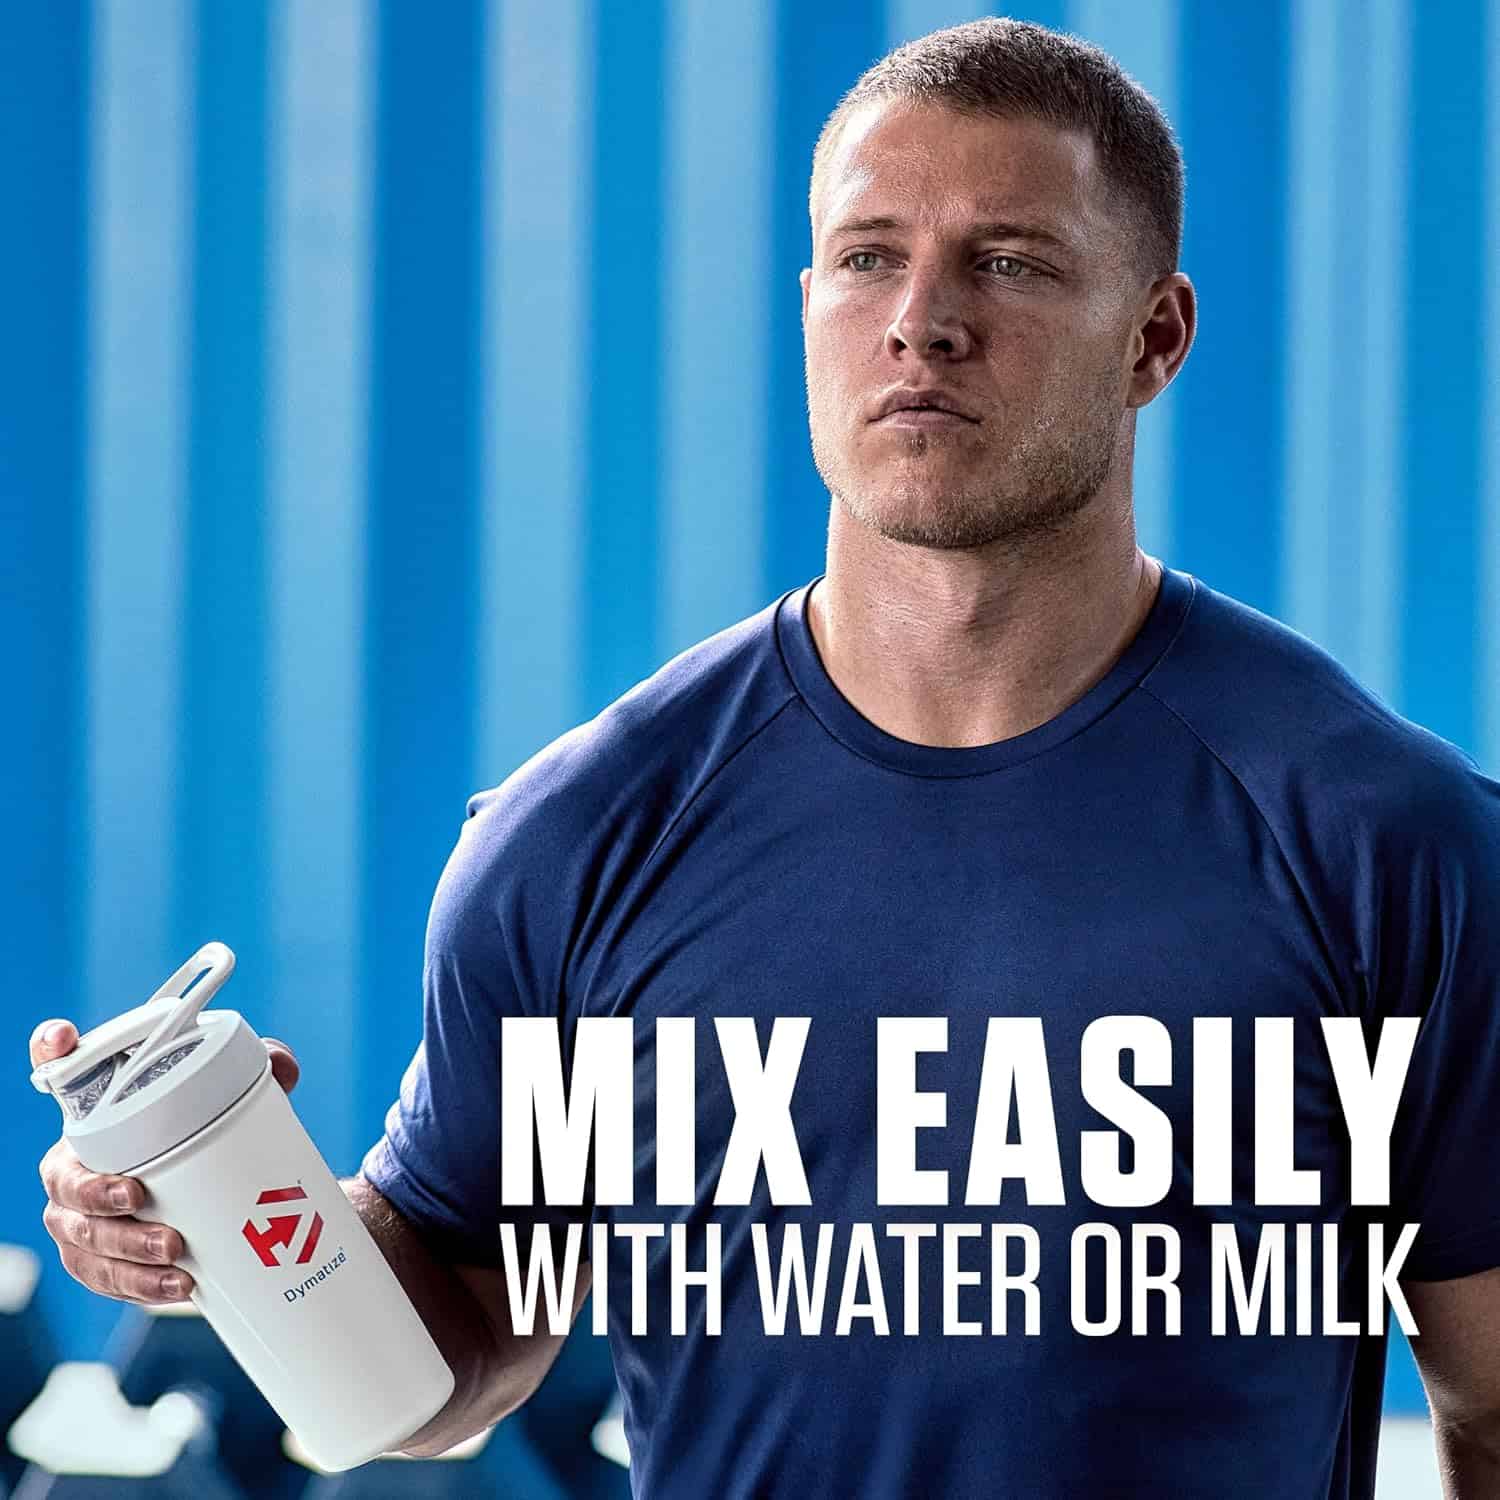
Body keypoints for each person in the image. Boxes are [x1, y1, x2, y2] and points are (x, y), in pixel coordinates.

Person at [32, 17, 1500, 1499]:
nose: (922, 320)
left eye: (1008, 261)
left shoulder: (1385, 845)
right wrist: (224, 1221)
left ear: (1155, 337)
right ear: (810, 305)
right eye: (868, 257)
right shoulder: (582, 839)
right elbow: (455, 1358)